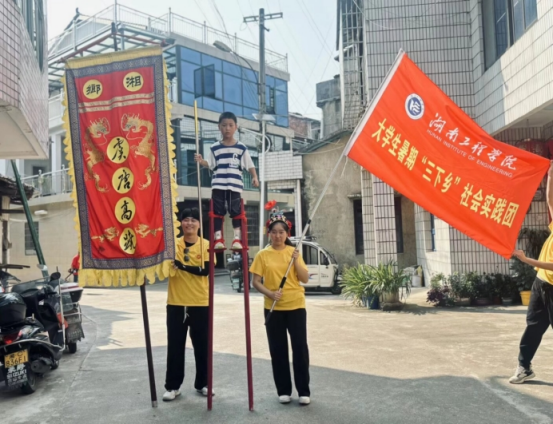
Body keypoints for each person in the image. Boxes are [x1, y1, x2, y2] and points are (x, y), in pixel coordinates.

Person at [249, 212, 311, 405]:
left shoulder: (294, 252)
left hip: (296, 306)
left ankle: (303, 391)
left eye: (281, 232)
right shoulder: (262, 255)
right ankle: (284, 390)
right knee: (278, 349)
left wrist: (296, 260)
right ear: (269, 233)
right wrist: (270, 293)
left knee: (300, 348)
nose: (277, 235)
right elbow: (255, 282)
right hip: (273, 307)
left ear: (287, 234)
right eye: (274, 232)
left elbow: (304, 278)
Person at [509, 161, 553, 384]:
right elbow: (550, 201)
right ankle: (524, 367)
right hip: (541, 283)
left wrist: (527, 260)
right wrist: (550, 175)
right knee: (533, 326)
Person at [163, 208, 213, 401]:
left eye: (193, 220)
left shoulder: (206, 245)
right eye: (186, 220)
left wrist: (182, 266)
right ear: (181, 223)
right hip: (176, 302)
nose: (189, 223)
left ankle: (204, 383)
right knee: (175, 345)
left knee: (202, 345)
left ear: (199, 224)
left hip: (200, 302)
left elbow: (205, 271)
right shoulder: (172, 245)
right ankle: (172, 386)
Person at [195, 111, 259, 250]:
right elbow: (210, 164)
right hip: (218, 185)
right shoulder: (215, 147)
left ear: (236, 127)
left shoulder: (241, 147)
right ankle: (218, 239)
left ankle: (237, 239)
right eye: (224, 125)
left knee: (236, 211)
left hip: (235, 185)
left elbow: (249, 164)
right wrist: (201, 161)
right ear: (219, 127)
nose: (227, 128)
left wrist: (255, 177)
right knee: (217, 212)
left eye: (230, 125)